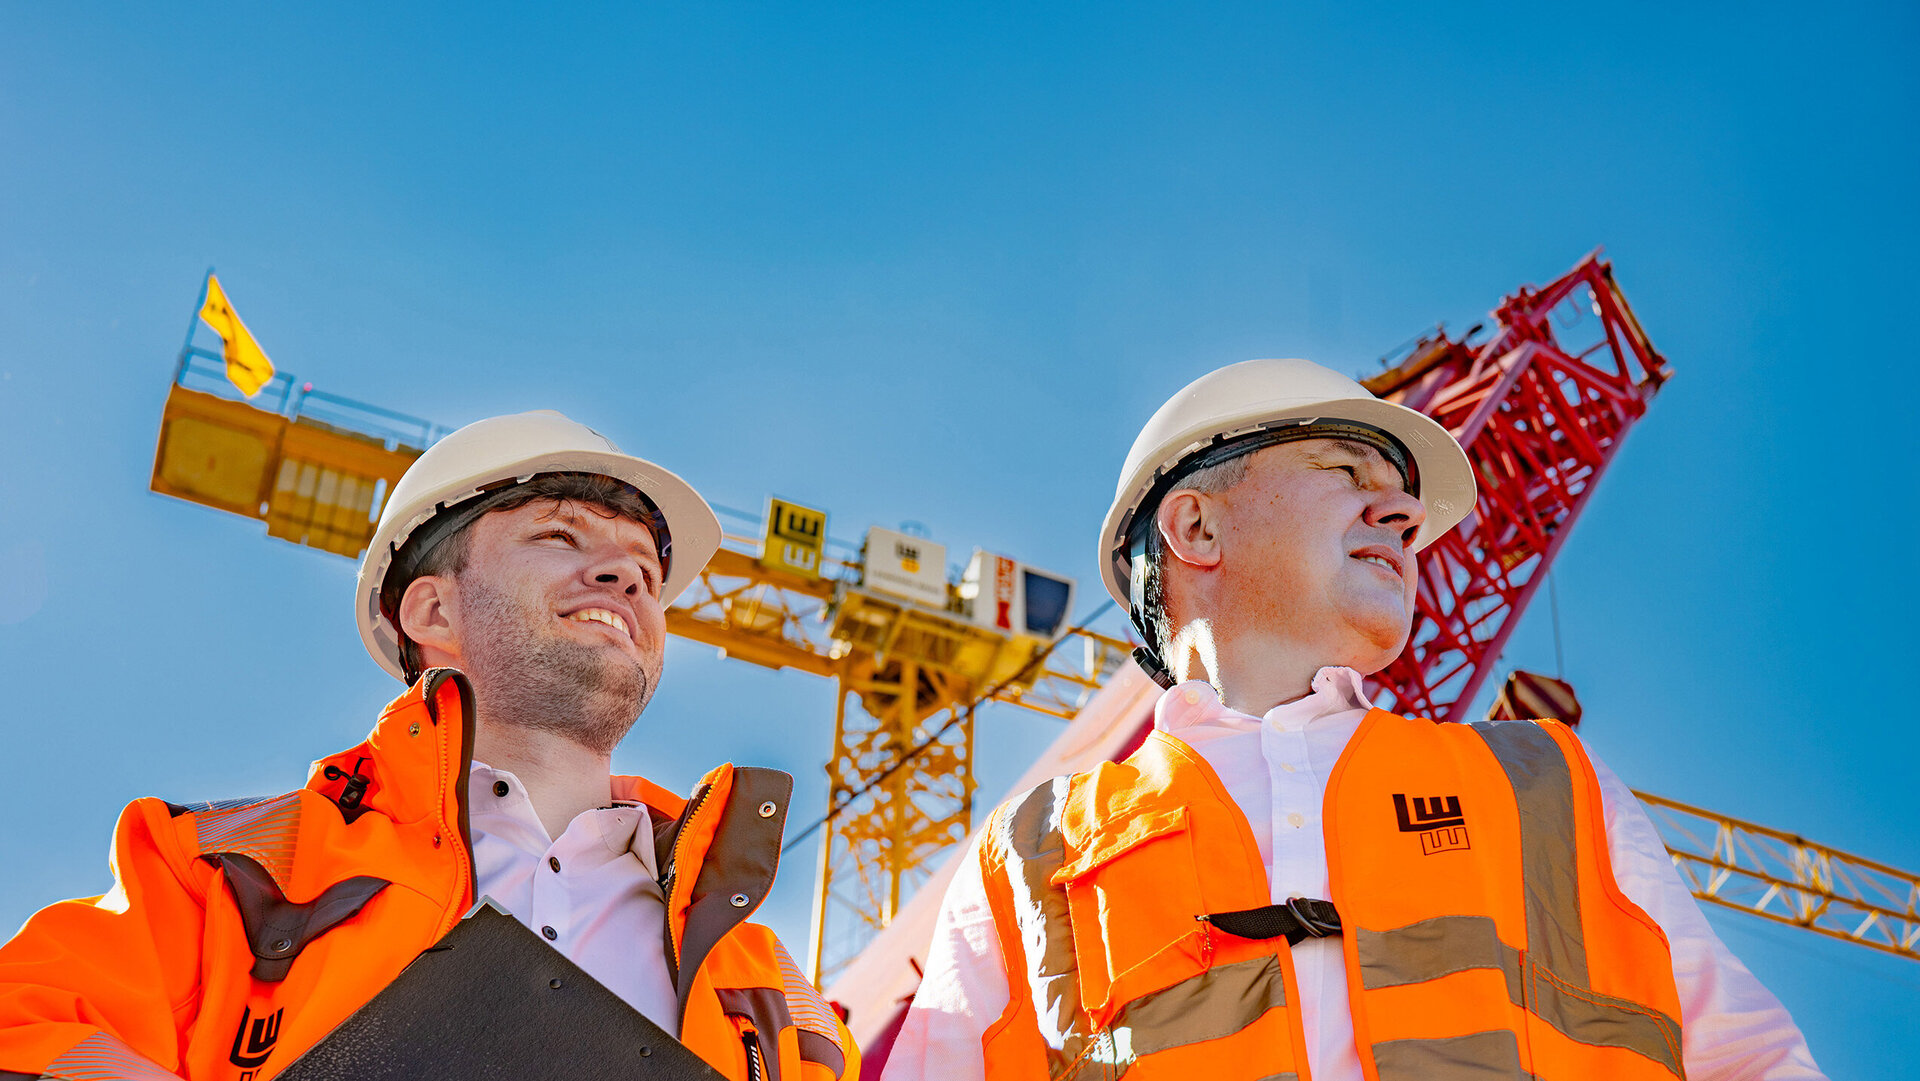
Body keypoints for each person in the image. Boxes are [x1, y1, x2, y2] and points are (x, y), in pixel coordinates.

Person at [884, 360, 1821, 1080]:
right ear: (1197, 530)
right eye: (1343, 467)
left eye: (1406, 497)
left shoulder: (1545, 784)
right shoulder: (1035, 852)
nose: (1404, 513)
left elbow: (1750, 1059)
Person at [0, 410, 858, 1081]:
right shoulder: (226, 871)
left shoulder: (768, 983)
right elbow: (22, 1025)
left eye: (643, 566)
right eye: (559, 536)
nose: (626, 575)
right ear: (432, 612)